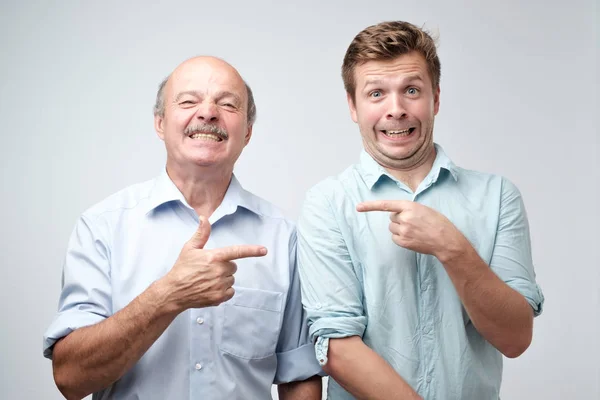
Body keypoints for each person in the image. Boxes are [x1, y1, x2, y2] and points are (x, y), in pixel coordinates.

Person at [43, 56, 322, 400]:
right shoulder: (102, 226)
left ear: (247, 132)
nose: (207, 113)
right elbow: (70, 378)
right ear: (160, 123)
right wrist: (168, 295)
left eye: (227, 103)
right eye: (188, 101)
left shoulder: (283, 237)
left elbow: (298, 375)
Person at [297, 21, 544, 400]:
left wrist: (453, 248)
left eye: (411, 90)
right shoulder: (328, 203)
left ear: (436, 99)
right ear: (353, 105)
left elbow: (514, 338)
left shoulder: (497, 197)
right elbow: (338, 350)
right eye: (376, 93)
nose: (395, 110)